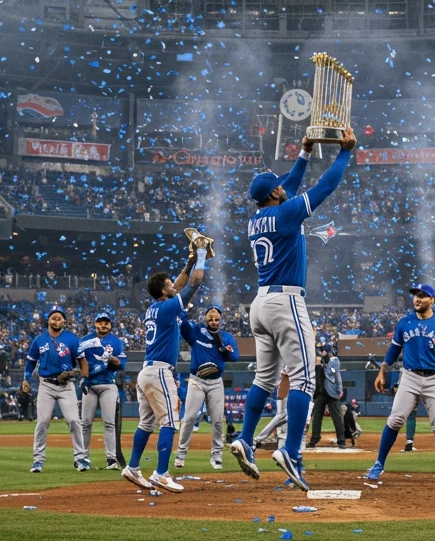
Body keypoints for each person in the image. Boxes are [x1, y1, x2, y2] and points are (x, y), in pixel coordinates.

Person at [229, 128, 355, 491]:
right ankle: (290, 452)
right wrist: (344, 152)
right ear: (274, 193)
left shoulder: (257, 219)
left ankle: (246, 440)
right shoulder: (285, 215)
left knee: (264, 380)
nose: (285, 185)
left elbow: (286, 185)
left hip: (260, 303)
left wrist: (303, 153)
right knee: (302, 379)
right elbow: (325, 188)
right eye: (278, 185)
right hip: (286, 301)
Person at [121, 240, 208, 493]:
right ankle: (161, 473)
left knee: (146, 424)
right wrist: (201, 255)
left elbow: (180, 283)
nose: (174, 285)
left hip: (146, 372)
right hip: (160, 372)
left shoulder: (155, 308)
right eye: (169, 284)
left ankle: (133, 467)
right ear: (163, 290)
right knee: (169, 423)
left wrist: (189, 261)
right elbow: (193, 283)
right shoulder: (168, 308)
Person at [365, 284, 435, 489]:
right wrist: (383, 370)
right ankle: (378, 464)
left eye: (422, 296)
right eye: (415, 296)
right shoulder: (404, 323)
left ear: (432, 300)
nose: (417, 299)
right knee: (395, 419)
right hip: (409, 376)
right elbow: (394, 350)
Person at [175, 305, 240, 469]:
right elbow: (182, 326)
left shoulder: (226, 337)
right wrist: (184, 310)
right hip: (196, 380)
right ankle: (180, 454)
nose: (213, 321)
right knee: (189, 418)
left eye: (216, 319)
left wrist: (222, 347)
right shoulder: (196, 331)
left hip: (216, 381)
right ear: (205, 318)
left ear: (221, 319)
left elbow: (235, 357)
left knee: (217, 420)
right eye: (210, 318)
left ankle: (216, 456)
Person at [23, 304, 85, 473]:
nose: (57, 321)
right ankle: (38, 460)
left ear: (64, 321)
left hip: (66, 386)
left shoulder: (72, 339)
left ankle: (80, 458)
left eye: (60, 318)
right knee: (42, 422)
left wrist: (79, 375)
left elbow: (81, 361)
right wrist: (26, 379)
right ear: (48, 320)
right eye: (53, 318)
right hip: (46, 385)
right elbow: (30, 362)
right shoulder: (39, 340)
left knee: (73, 420)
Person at [76, 312, 127, 469]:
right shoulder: (84, 341)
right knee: (85, 423)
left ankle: (111, 459)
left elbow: (122, 365)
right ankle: (82, 458)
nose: (103, 324)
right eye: (100, 322)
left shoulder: (117, 342)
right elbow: (79, 361)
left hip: (108, 384)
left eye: (106, 322)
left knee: (109, 422)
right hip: (89, 384)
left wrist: (114, 361)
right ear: (95, 324)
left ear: (110, 325)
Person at [307, 342, 348, 449]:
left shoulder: (334, 361)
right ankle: (314, 438)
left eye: (324, 350)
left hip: (331, 392)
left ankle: (341, 440)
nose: (323, 352)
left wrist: (340, 390)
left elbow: (336, 374)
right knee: (316, 418)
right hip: (320, 393)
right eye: (321, 350)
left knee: (337, 418)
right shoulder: (315, 362)